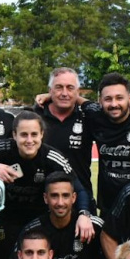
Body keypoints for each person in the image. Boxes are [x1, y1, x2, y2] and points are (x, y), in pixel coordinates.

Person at [0, 112, 94, 259]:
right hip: (5, 222)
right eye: (23, 135)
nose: (29, 140)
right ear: (14, 135)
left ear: (42, 135)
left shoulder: (52, 158)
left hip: (39, 224)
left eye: (34, 134)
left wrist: (84, 214)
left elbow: (79, 189)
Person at [6, 173, 106, 259]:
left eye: (65, 196)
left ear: (74, 198)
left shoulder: (94, 226)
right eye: (54, 196)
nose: (60, 202)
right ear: (45, 198)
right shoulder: (33, 230)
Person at [83, 73, 130, 213]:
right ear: (99, 101)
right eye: (108, 99)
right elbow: (75, 98)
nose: (114, 104)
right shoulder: (95, 116)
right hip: (109, 208)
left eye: (119, 98)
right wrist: (49, 95)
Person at [34, 67, 95, 200]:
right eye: (59, 87)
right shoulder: (34, 116)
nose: (64, 93)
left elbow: (114, 114)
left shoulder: (88, 117)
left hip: (80, 196)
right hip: (40, 200)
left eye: (70, 87)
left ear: (78, 92)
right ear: (50, 91)